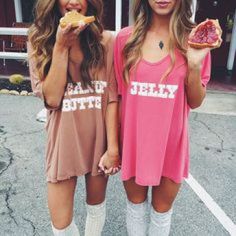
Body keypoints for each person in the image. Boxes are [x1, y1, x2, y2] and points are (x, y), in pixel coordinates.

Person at [114, 0, 222, 235]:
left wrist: (194, 65)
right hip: (134, 142)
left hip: (171, 145)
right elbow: (118, 98)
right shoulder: (125, 39)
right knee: (135, 208)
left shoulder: (194, 40)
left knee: (162, 214)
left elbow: (195, 100)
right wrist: (112, 146)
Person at [28, 0, 120, 235]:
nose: (74, 1)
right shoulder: (39, 38)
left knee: (96, 208)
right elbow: (52, 100)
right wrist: (61, 45)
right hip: (63, 139)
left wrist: (112, 148)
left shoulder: (106, 40)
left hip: (98, 138)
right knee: (60, 223)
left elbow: (111, 97)